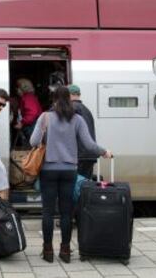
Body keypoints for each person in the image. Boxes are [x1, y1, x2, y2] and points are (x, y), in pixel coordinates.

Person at [30, 86, 112, 264]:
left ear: (53, 99)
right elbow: (90, 145)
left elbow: (33, 141)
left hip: (48, 170)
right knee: (66, 213)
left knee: (47, 212)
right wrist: (104, 152)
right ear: (69, 99)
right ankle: (65, 251)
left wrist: (46, 138)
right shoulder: (77, 119)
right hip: (69, 171)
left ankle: (48, 250)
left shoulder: (45, 117)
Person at [68, 84, 98, 179]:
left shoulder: (72, 108)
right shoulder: (86, 110)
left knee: (76, 185)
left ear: (68, 95)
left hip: (79, 154)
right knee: (85, 185)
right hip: (90, 154)